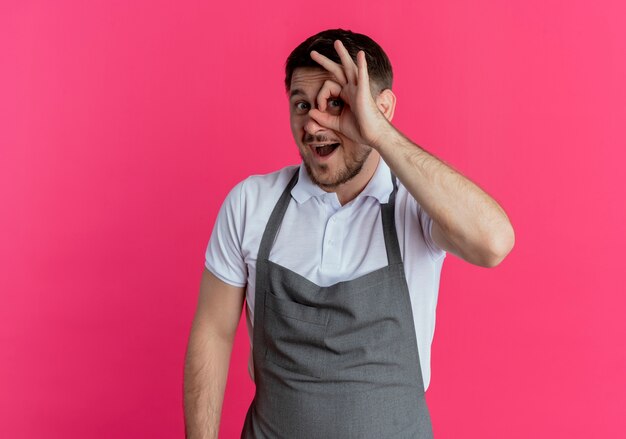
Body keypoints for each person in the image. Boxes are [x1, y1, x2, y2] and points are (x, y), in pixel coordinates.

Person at [184, 28, 514, 439]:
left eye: (336, 104)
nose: (313, 123)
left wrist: (377, 133)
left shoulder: (416, 205)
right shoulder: (251, 203)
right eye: (301, 105)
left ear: (380, 109)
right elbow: (212, 332)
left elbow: (494, 243)